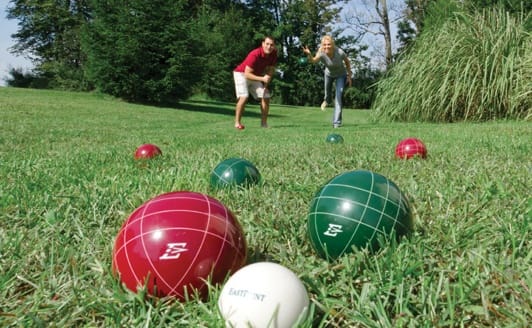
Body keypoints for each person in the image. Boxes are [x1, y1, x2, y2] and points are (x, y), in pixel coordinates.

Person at [303, 35, 352, 128]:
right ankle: (327, 100)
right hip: (328, 74)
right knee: (327, 93)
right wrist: (309, 54)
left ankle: (336, 123)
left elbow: (347, 62)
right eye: (324, 45)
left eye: (329, 44)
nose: (326, 46)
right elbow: (313, 61)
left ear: (332, 44)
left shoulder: (339, 52)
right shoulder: (321, 52)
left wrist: (349, 76)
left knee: (339, 95)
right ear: (322, 45)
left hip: (341, 75)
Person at [233, 36, 278, 130]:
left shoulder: (273, 53)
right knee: (244, 96)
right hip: (241, 74)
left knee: (266, 96)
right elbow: (246, 74)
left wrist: (265, 85)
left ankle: (264, 124)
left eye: (271, 45)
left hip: (255, 76)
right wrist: (262, 78)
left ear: (274, 46)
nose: (269, 47)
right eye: (267, 44)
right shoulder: (255, 54)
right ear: (263, 44)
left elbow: (270, 70)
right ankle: (237, 123)